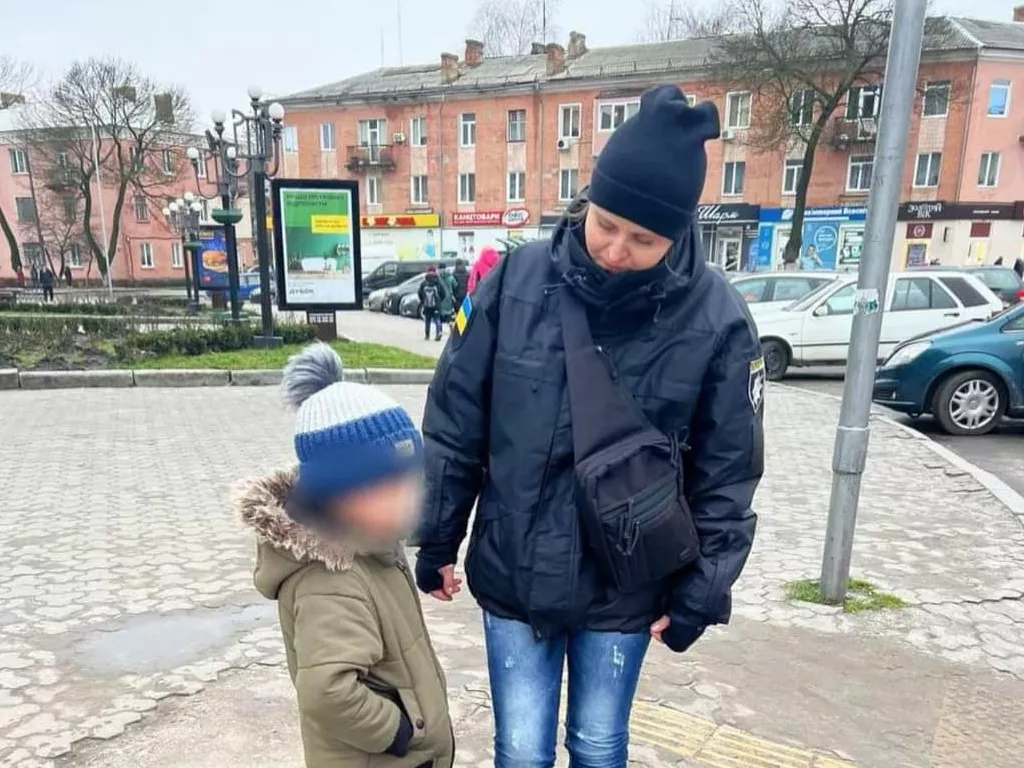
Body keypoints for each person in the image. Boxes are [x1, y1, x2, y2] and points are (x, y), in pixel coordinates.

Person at [414, 85, 763, 768]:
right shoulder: (513, 283)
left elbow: (729, 470)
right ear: (587, 202)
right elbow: (454, 421)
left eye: (644, 239)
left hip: (628, 581)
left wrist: (702, 591)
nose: (616, 249)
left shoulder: (719, 319)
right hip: (515, 566)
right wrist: (437, 538)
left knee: (600, 746)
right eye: (606, 224)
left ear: (677, 234)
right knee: (520, 750)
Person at [237, 344, 454, 768]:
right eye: (392, 487)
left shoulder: (373, 544)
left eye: (411, 481)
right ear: (341, 493)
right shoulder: (330, 580)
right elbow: (327, 690)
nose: (410, 497)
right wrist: (399, 730)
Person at [417, 266, 447, 341]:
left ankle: (427, 335)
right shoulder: (439, 282)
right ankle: (439, 332)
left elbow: (419, 293)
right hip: (436, 305)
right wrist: (439, 301)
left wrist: (423, 301)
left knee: (427, 320)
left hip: (427, 305)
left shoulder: (424, 283)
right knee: (437, 319)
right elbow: (444, 293)